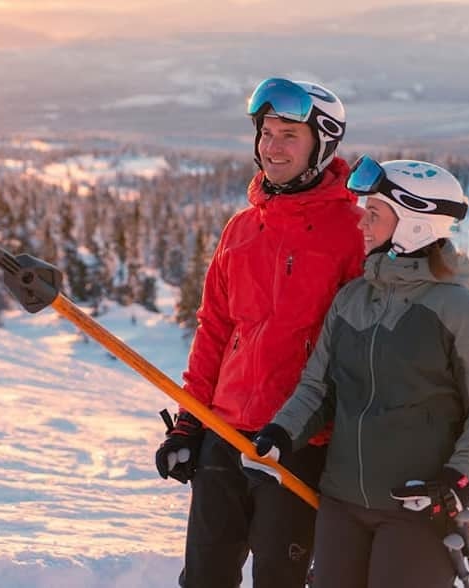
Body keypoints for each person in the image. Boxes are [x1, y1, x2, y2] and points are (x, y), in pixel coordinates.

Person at [252, 156, 469, 588]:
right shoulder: (352, 299)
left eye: (373, 214)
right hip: (341, 504)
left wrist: (459, 481)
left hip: (418, 509)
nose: (362, 224)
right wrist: (280, 434)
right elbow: (319, 388)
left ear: (414, 225)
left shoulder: (463, 313)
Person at [154, 77, 365, 587]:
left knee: (280, 579)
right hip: (224, 434)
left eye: (289, 135)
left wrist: (339, 444)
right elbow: (215, 330)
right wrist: (190, 424)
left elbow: (361, 352)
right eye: (266, 133)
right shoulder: (242, 229)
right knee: (204, 578)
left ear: (322, 144)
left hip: (298, 443)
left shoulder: (353, 233)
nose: (272, 147)